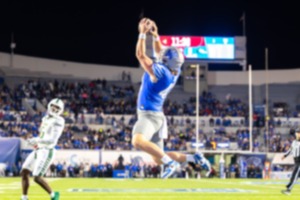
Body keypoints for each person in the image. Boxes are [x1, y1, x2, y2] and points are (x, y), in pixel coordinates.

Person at [132, 18, 211, 179]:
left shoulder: (162, 73)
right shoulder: (174, 71)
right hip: (157, 116)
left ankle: (171, 163)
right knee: (158, 157)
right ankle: (193, 158)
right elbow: (160, 54)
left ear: (167, 61)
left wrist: (142, 34)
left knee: (138, 141)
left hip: (149, 115)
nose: (161, 54)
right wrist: (155, 36)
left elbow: (140, 55)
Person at [20, 98, 65, 200]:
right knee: (24, 171)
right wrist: (36, 143)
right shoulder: (45, 118)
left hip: (47, 151)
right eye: (53, 106)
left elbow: (52, 140)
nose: (54, 108)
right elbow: (43, 135)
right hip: (39, 149)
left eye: (57, 107)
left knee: (37, 177)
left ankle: (54, 195)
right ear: (49, 105)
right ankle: (24, 198)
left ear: (61, 110)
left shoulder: (59, 120)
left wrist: (36, 140)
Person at [281, 128, 300, 195]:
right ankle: (289, 187)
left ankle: (288, 190)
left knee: (295, 176)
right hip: (296, 161)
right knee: (294, 175)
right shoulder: (294, 142)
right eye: (297, 132)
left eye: (299, 133)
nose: (297, 134)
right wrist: (285, 155)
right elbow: (290, 150)